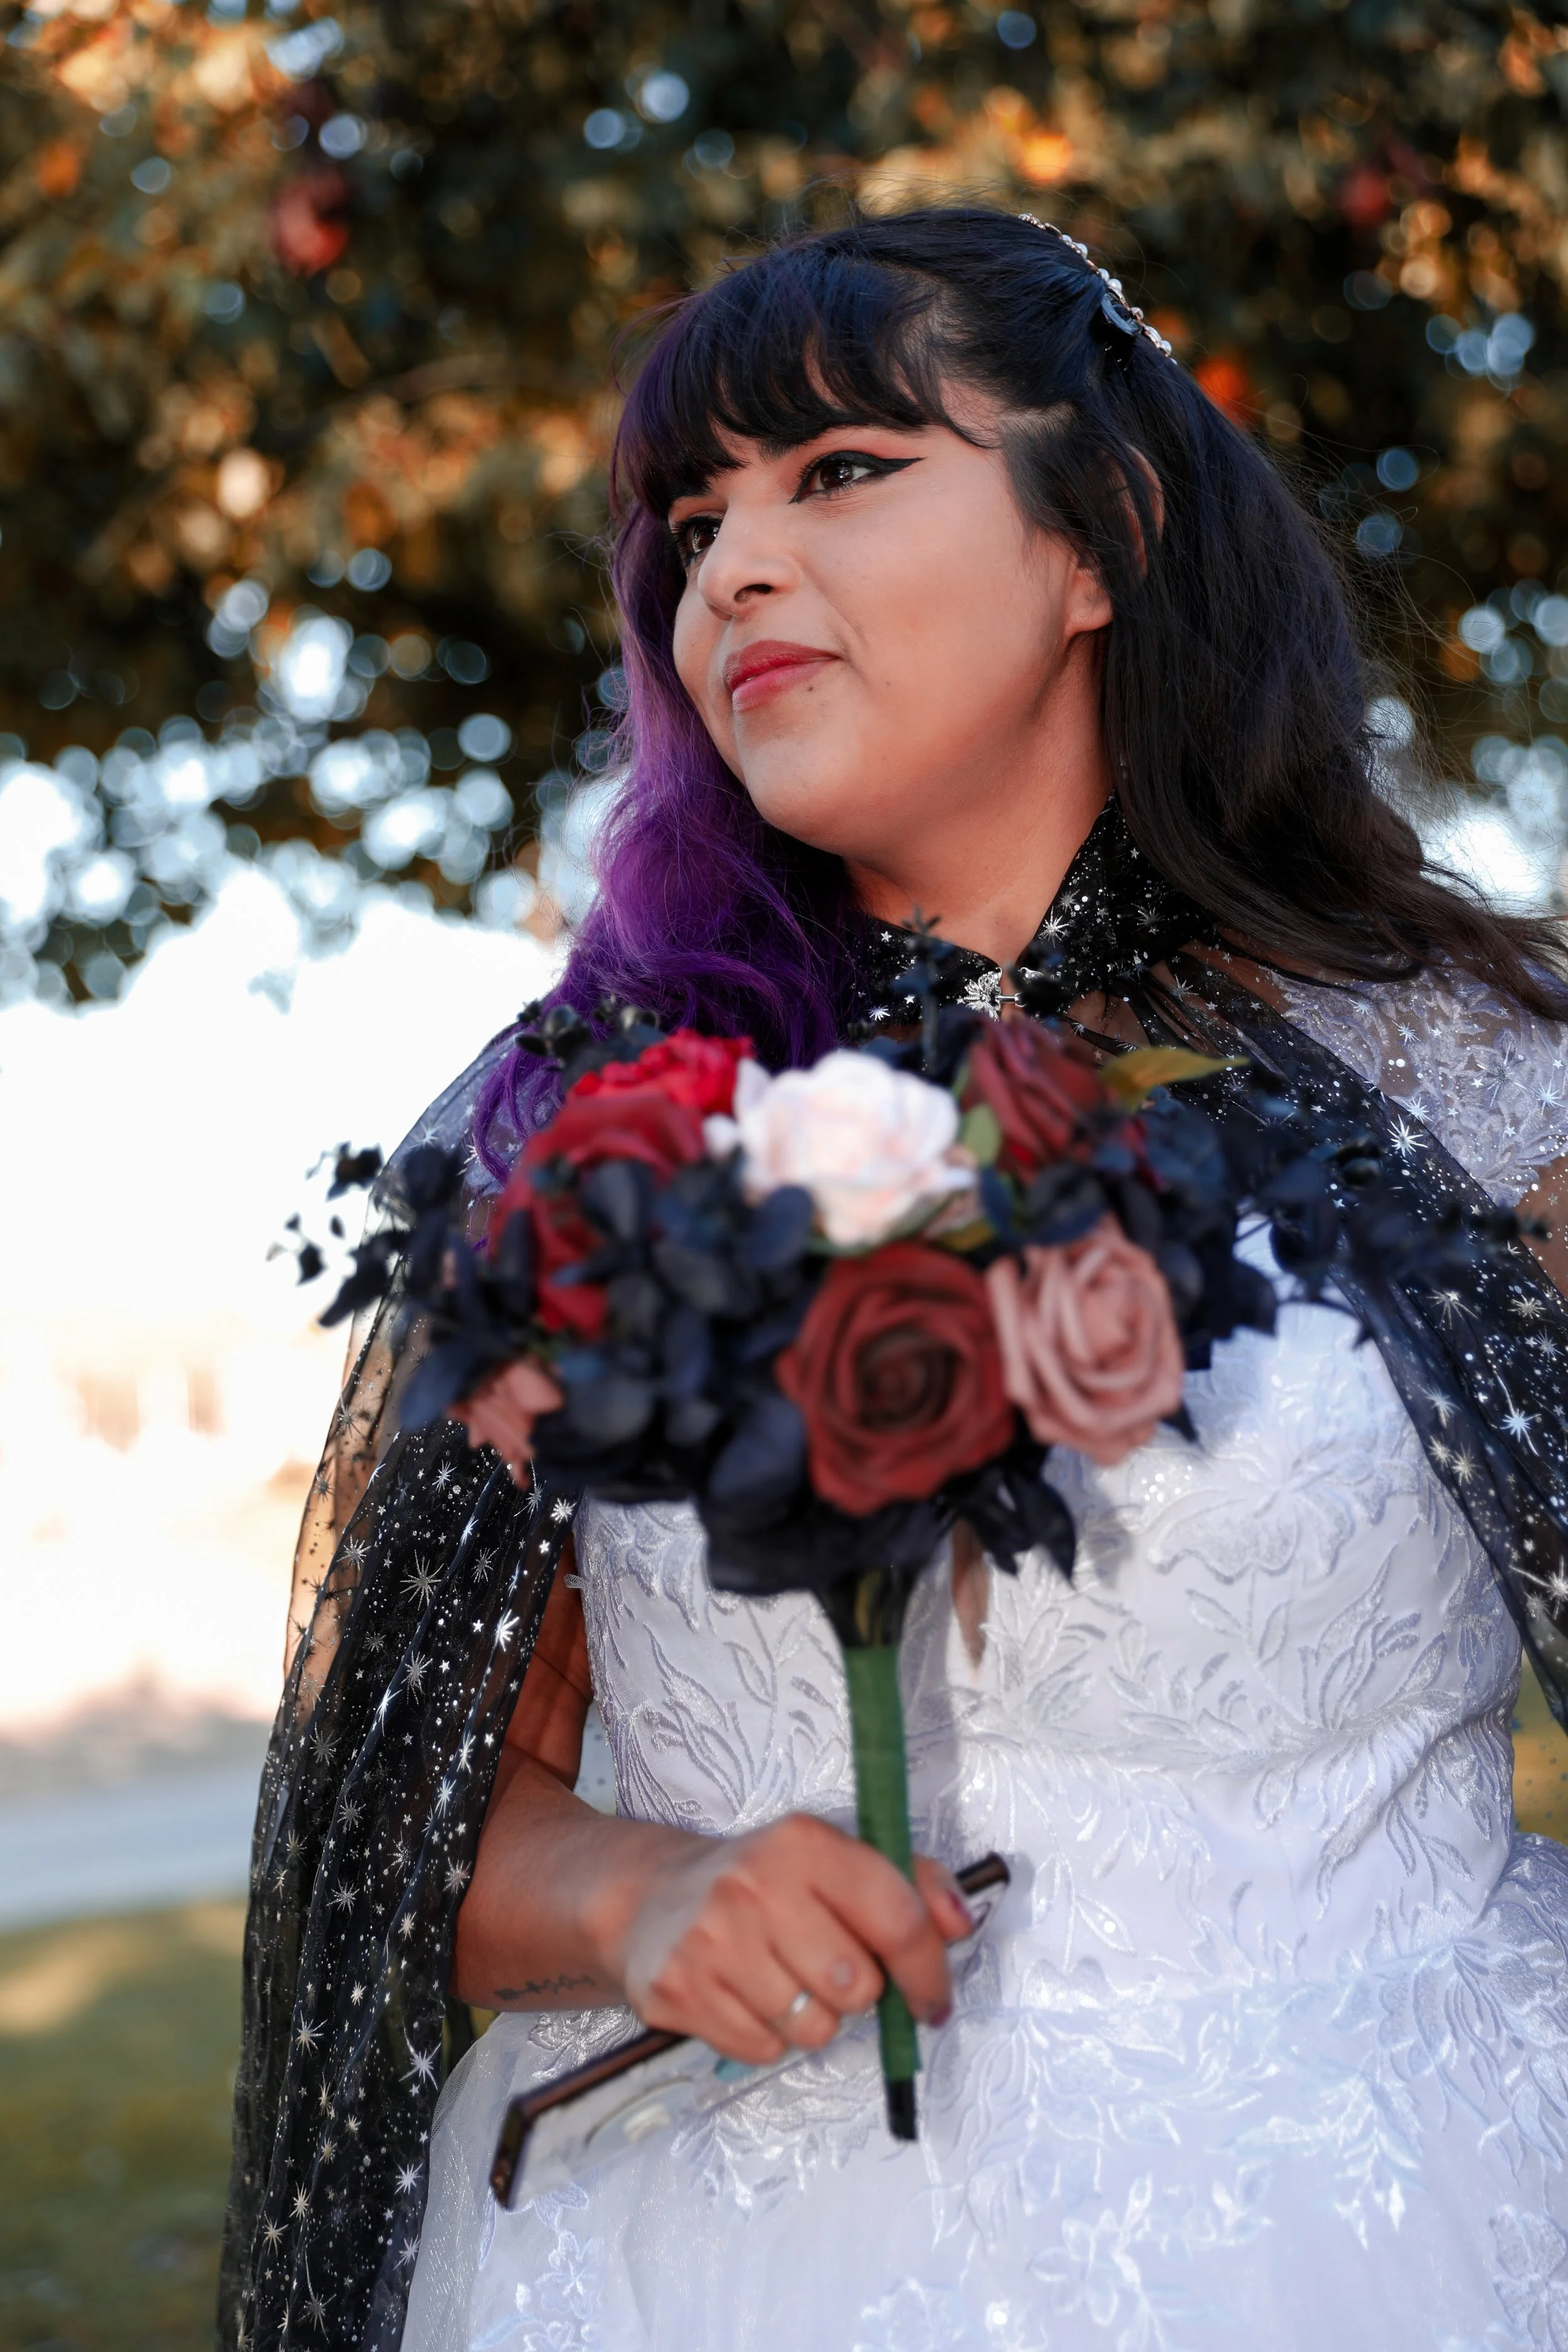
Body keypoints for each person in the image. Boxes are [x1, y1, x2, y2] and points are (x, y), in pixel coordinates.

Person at [224, 206, 1568, 2352]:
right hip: (705, 2265)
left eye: (836, 471)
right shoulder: (595, 1128)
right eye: (692, 518)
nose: (728, 568)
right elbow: (411, 1825)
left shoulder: (1494, 1083)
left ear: (1099, 527)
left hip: (1415, 2213)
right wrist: (639, 1889)